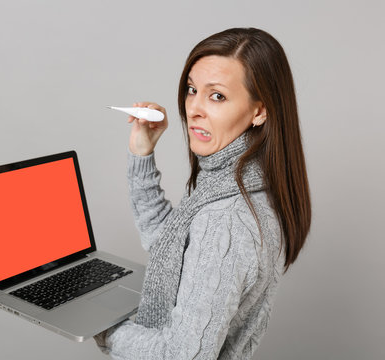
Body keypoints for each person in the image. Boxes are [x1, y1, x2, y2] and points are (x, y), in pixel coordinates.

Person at [94, 27, 311, 359]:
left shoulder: (226, 218)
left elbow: (183, 356)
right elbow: (170, 244)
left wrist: (104, 329)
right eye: (192, 89)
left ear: (259, 111)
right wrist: (142, 155)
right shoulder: (249, 184)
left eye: (217, 96)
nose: (193, 108)